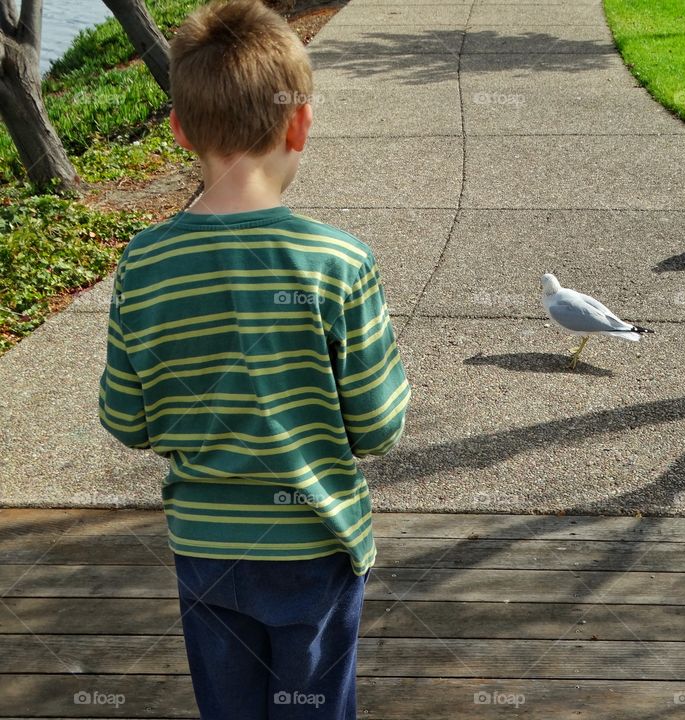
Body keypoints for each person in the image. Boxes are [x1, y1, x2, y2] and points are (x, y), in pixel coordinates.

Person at [97, 1, 409, 717]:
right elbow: (378, 428)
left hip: (207, 549)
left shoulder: (143, 264)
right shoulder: (339, 263)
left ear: (179, 131)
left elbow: (125, 418)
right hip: (315, 544)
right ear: (298, 123)